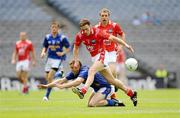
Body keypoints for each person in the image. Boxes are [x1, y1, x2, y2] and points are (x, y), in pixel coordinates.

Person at [73, 18, 138, 106]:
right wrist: (76, 60)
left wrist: (125, 45)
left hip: (102, 56)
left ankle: (83, 91)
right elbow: (76, 47)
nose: (85, 31)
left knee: (91, 70)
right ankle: (131, 93)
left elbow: (113, 38)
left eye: (86, 29)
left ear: (90, 26)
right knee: (112, 81)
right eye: (82, 30)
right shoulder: (80, 35)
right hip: (95, 58)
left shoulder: (97, 32)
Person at [38, 60, 125, 107]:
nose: (72, 69)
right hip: (96, 89)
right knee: (89, 105)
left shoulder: (84, 70)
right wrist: (47, 85)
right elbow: (61, 80)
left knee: (92, 104)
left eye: (74, 67)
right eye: (71, 67)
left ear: (79, 67)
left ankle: (114, 102)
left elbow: (77, 82)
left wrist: (62, 86)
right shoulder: (74, 72)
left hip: (105, 87)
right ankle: (110, 100)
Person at [95, 8, 128, 97]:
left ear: (108, 16)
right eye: (102, 16)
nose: (104, 17)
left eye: (106, 16)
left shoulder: (114, 25)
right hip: (102, 53)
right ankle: (113, 91)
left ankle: (113, 87)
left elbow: (122, 34)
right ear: (100, 17)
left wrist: (121, 46)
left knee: (112, 72)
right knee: (108, 75)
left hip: (112, 52)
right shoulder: (96, 27)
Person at [40, 20, 70, 101]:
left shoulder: (62, 38)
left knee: (50, 77)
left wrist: (62, 53)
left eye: (55, 27)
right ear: (51, 28)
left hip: (57, 59)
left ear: (58, 28)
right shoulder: (47, 37)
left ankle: (46, 96)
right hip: (49, 59)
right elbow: (45, 47)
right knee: (48, 79)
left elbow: (68, 48)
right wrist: (43, 52)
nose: (54, 29)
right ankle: (60, 74)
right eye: (52, 27)